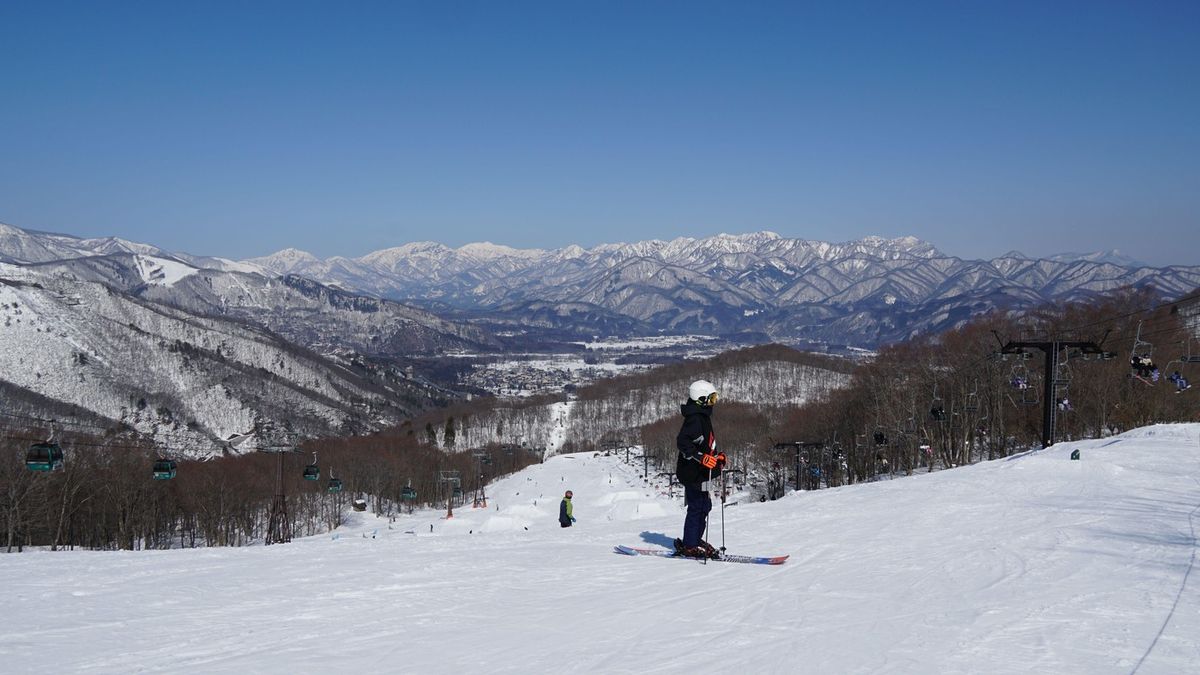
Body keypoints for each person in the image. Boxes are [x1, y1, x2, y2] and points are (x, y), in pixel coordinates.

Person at [674, 379, 725, 559]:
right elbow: (683, 442)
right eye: (711, 399)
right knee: (697, 506)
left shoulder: (702, 416)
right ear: (701, 399)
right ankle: (690, 545)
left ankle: (694, 539)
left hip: (702, 474)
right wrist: (701, 457)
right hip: (693, 474)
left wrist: (717, 458)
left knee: (705, 505)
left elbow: (704, 444)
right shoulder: (695, 418)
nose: (713, 403)